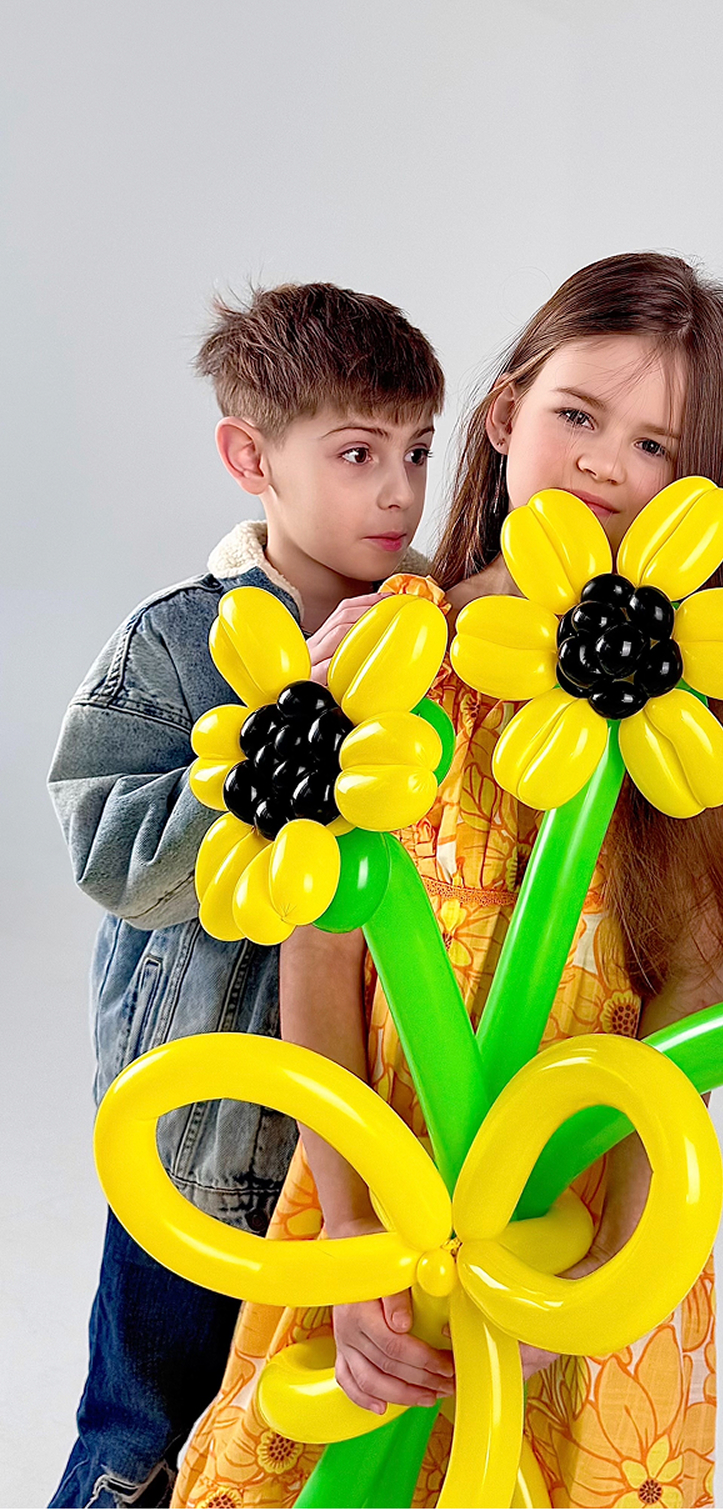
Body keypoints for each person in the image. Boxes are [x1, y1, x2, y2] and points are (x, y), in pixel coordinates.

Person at [175, 253, 723, 1509]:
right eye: (577, 415)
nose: (606, 464)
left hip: (581, 1200)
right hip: (386, 1182)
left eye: (655, 444)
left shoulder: (688, 698)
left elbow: (693, 1000)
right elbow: (320, 960)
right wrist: (349, 1230)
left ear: (695, 485)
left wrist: (608, 1266)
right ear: (504, 416)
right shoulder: (394, 653)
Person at [47, 282, 444, 1509]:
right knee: (141, 1439)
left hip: (363, 1164)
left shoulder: (438, 633)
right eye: (357, 453)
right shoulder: (180, 641)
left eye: (418, 452)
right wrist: (274, 751)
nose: (398, 491)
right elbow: (107, 852)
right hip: (201, 1150)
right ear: (251, 458)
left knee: (286, 1454)